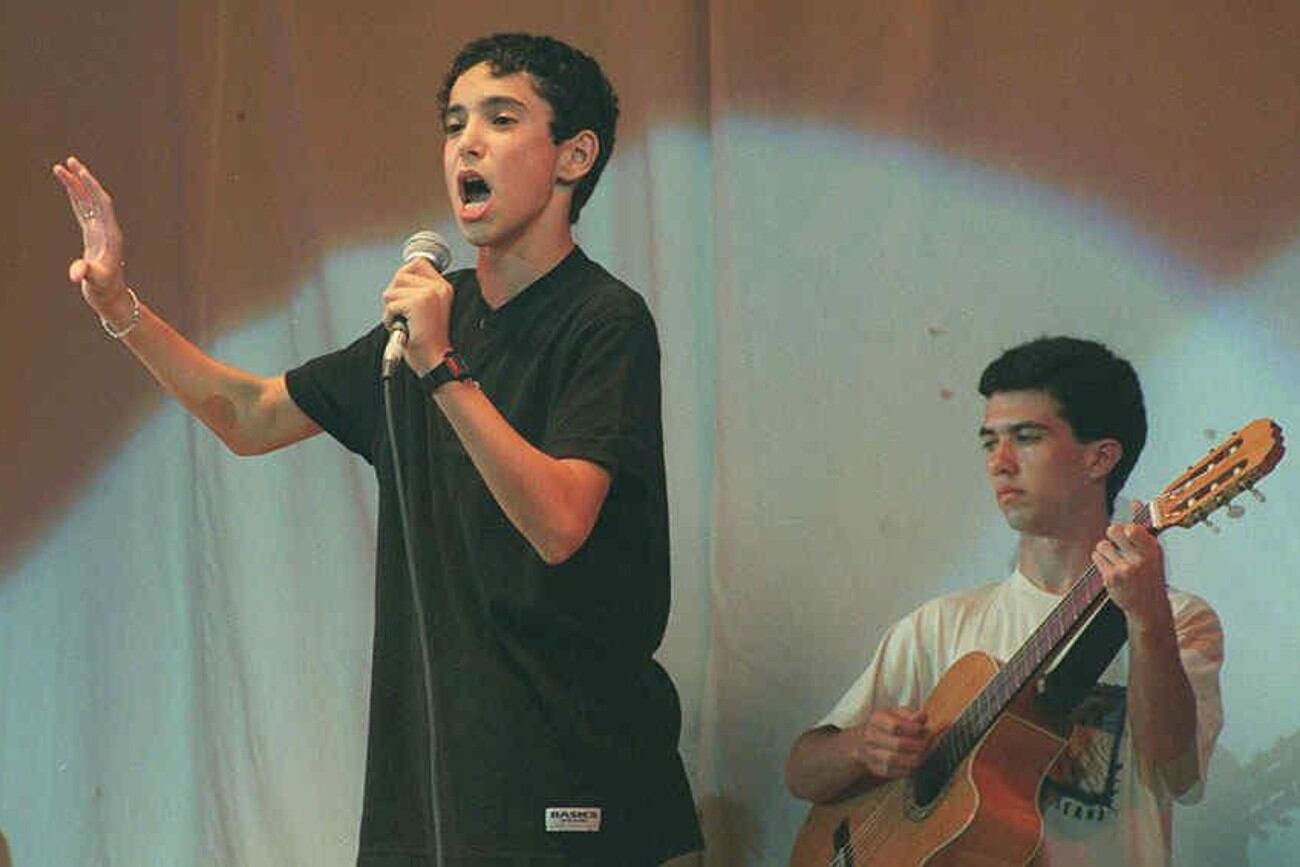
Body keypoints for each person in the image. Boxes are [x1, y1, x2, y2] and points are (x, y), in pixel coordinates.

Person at [55, 32, 702, 867]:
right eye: (455, 121)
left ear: (574, 155)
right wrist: (119, 306)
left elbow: (560, 520)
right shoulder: (426, 327)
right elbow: (249, 415)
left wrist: (442, 365)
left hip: (579, 791)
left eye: (501, 119)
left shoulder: (600, 322)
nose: (466, 142)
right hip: (436, 797)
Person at [784, 336, 1223, 865]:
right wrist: (863, 747)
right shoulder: (940, 625)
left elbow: (1176, 768)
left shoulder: (1177, 619)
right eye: (990, 442)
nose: (1000, 463)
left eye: (1027, 437)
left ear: (1100, 457)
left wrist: (1148, 618)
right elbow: (802, 771)